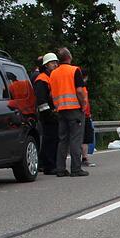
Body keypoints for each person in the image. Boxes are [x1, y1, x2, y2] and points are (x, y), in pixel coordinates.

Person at [49, 47, 88, 177]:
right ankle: (76, 169)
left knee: (62, 140)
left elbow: (51, 93)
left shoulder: (53, 73)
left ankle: (60, 168)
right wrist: (83, 104)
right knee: (75, 139)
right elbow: (80, 91)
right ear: (69, 57)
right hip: (74, 109)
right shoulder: (74, 70)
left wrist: (57, 106)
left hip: (60, 110)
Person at [32, 53, 60, 175]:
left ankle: (44, 164)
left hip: (53, 113)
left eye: (56, 62)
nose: (55, 64)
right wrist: (49, 114)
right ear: (46, 65)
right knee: (50, 140)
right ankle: (49, 166)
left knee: (52, 139)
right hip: (47, 115)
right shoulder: (42, 79)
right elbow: (41, 100)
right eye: (52, 62)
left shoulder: (51, 77)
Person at [80, 67, 95, 167]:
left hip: (82, 114)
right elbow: (84, 103)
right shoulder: (82, 88)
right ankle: (84, 158)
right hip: (84, 115)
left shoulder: (78, 87)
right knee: (85, 138)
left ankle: (82, 158)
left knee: (80, 138)